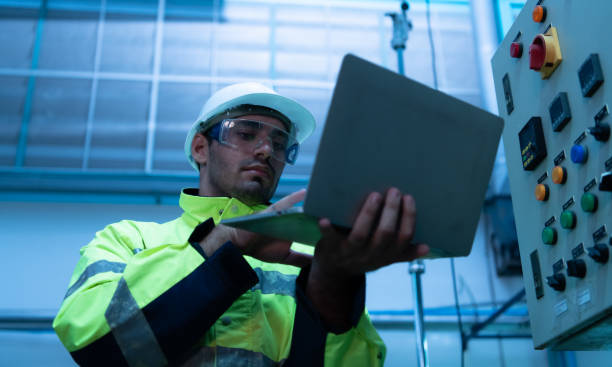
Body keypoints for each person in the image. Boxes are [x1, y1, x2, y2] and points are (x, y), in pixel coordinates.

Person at [53, 82, 430, 366]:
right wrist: (226, 240)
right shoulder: (128, 239)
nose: (267, 151)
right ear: (201, 148)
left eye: (279, 144)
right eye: (246, 134)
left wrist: (336, 286)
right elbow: (95, 344)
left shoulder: (309, 258)